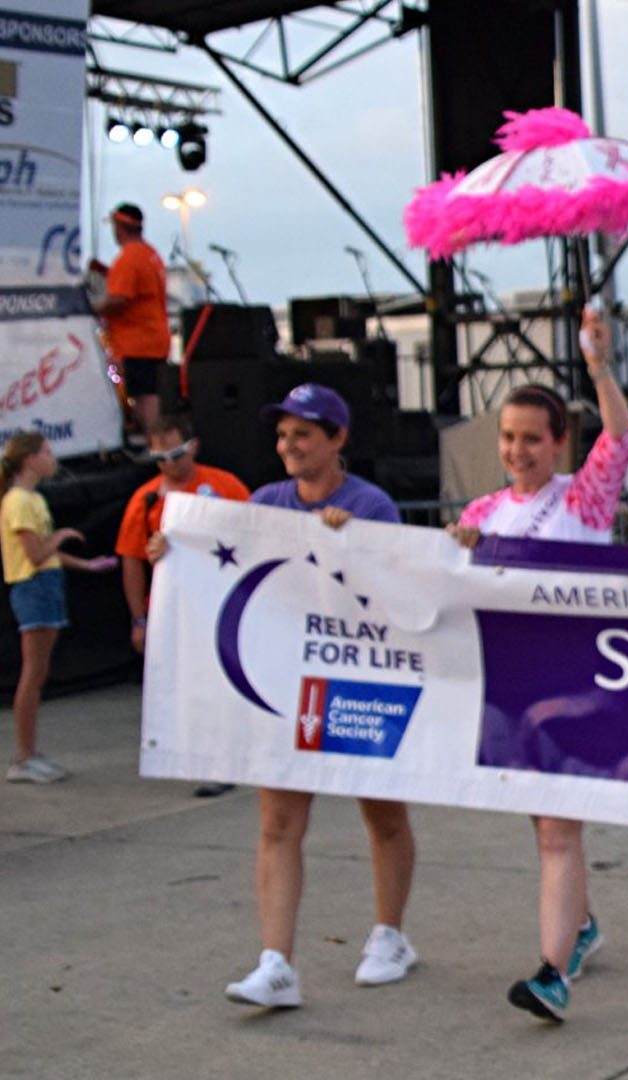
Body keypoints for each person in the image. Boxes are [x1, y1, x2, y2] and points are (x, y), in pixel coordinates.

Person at [181, 383, 420, 1008]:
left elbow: (396, 595)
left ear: (337, 440)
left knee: (383, 814)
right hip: (288, 685)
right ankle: (276, 962)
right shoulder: (265, 503)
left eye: (303, 434)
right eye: (283, 434)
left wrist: (350, 545)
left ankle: (390, 935)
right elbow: (229, 575)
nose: (288, 445)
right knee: (279, 821)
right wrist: (171, 554)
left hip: (362, 681)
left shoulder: (373, 504)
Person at [448, 312, 628, 1022]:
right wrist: (456, 547)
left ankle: (553, 972)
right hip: (511, 687)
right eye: (509, 438)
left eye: (533, 438)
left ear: (559, 444)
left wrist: (598, 367)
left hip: (578, 681)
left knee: (559, 829)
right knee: (546, 826)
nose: (519, 450)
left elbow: (619, 439)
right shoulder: (484, 509)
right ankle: (581, 928)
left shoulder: (582, 500)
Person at [114, 413, 250, 797]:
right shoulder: (144, 499)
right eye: (159, 457)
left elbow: (258, 532)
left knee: (225, 680)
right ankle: (202, 757)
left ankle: (227, 759)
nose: (168, 464)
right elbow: (130, 559)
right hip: (173, 610)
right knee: (188, 686)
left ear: (193, 447)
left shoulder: (224, 485)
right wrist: (139, 618)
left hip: (224, 604)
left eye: (175, 454)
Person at [3, 433, 117, 783]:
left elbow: (44, 551)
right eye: (48, 453)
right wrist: (63, 535)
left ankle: (31, 753)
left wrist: (86, 565)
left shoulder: (33, 499)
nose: (53, 459)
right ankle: (23, 757)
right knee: (33, 673)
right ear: (30, 459)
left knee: (39, 672)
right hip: (33, 588)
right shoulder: (19, 501)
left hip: (46, 585)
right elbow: (36, 554)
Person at [92, 203, 173, 443]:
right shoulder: (150, 254)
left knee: (145, 396)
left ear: (119, 227)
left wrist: (92, 309)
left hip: (138, 341)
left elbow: (119, 299)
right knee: (148, 393)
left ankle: (154, 444)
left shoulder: (129, 258)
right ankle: (153, 441)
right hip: (153, 337)